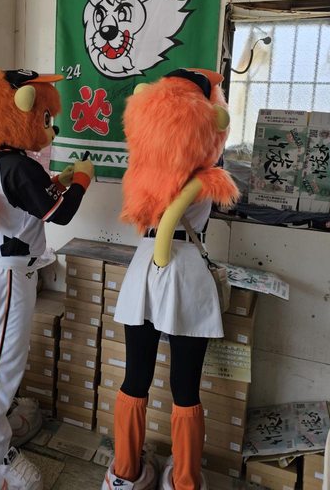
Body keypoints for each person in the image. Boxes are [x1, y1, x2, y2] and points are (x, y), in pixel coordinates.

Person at [0, 68, 94, 490]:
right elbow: (61, 213)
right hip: (6, 275)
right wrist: (83, 179)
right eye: (46, 117)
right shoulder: (16, 165)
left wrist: (62, 181)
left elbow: (30, 198)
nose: (51, 127)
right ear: (20, 111)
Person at [102, 69, 239, 490]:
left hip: (144, 268)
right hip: (185, 273)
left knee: (135, 376)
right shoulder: (208, 174)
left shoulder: (141, 171)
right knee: (185, 385)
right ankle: (184, 481)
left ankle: (125, 473)